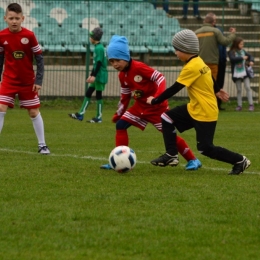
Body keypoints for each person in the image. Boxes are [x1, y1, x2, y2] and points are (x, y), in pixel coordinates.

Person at [147, 29, 251, 175]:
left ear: (185, 49)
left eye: (176, 49)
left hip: (205, 111)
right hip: (195, 107)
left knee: (205, 148)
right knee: (167, 118)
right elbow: (208, 75)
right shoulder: (199, 61)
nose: (175, 53)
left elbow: (175, 88)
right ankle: (171, 154)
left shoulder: (191, 67)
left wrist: (155, 100)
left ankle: (240, 160)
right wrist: (217, 89)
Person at [100, 35, 202, 171]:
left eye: (117, 60)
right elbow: (125, 95)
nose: (115, 64)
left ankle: (193, 160)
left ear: (125, 57)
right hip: (139, 107)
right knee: (121, 125)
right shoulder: (122, 75)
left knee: (169, 134)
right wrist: (120, 113)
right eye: (111, 61)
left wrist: (157, 97)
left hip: (156, 109)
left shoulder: (139, 67)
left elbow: (160, 77)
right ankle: (117, 161)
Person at [0, 3, 50, 154]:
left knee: (33, 112)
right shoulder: (1, 36)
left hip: (27, 82)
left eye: (17, 18)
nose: (14, 21)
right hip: (8, 80)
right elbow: (0, 57)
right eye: (11, 18)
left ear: (23, 18)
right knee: (0, 108)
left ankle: (42, 145)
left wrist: (38, 81)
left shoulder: (29, 36)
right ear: (5, 18)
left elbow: (39, 58)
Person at [69, 27, 108, 123]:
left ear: (94, 38)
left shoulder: (99, 48)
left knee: (98, 95)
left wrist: (94, 76)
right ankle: (81, 114)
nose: (90, 38)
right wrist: (91, 74)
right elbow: (96, 64)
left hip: (100, 75)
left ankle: (99, 117)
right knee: (89, 93)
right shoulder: (98, 47)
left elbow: (99, 64)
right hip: (97, 74)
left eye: (91, 37)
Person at [195, 12, 236, 81]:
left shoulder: (196, 32)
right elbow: (225, 42)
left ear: (204, 21)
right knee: (212, 83)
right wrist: (232, 34)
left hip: (200, 63)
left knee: (201, 82)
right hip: (212, 63)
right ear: (213, 22)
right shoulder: (215, 31)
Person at [228, 37, 254, 112]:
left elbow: (250, 56)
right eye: (241, 44)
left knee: (248, 87)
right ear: (236, 44)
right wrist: (241, 57)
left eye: (243, 44)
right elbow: (232, 59)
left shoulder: (243, 51)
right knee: (239, 89)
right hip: (236, 73)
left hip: (244, 72)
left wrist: (251, 61)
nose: (242, 45)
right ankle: (239, 105)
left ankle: (251, 104)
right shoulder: (231, 52)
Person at [216, 25, 227, 111]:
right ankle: (215, 104)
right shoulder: (215, 42)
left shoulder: (222, 42)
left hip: (221, 62)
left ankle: (218, 104)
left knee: (220, 84)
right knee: (215, 84)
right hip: (217, 62)